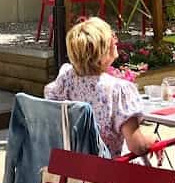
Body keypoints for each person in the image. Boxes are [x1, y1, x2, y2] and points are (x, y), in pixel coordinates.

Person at [44, 17, 158, 159]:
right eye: (111, 36)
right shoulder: (118, 90)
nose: (115, 39)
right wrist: (153, 139)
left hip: (71, 170)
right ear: (101, 51)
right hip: (107, 174)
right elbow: (137, 146)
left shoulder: (65, 79)